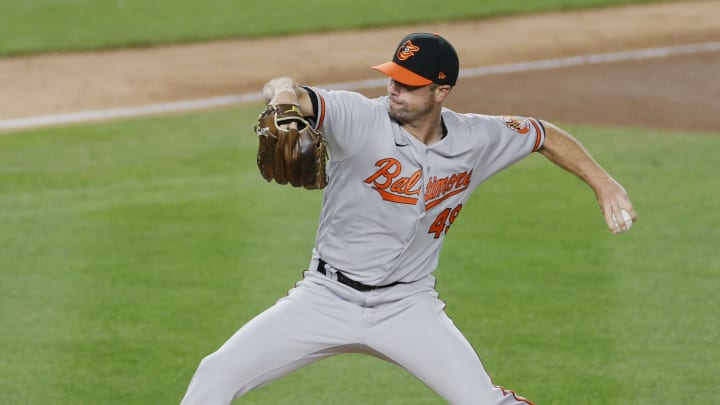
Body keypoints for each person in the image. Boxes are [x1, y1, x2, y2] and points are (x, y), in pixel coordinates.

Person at [180, 32, 636, 405]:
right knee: (215, 375)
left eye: (408, 84)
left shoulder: (477, 137)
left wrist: (604, 183)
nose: (393, 89)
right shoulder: (359, 117)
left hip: (408, 307)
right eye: (392, 78)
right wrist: (283, 101)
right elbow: (290, 88)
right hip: (324, 298)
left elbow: (541, 133)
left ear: (441, 92)